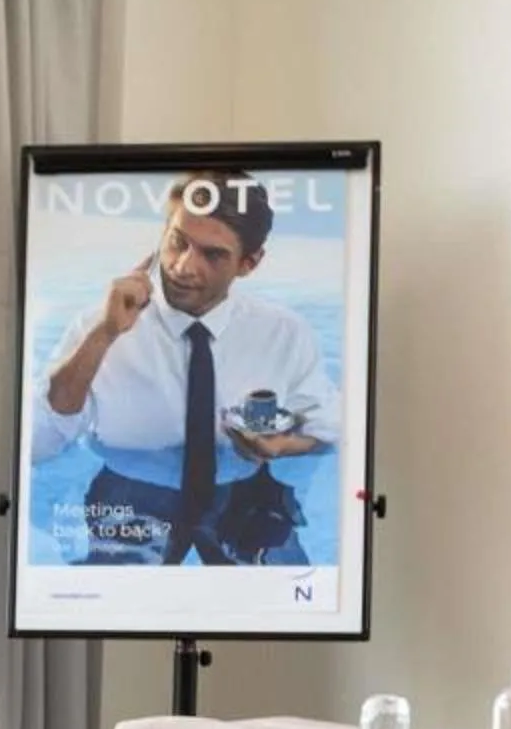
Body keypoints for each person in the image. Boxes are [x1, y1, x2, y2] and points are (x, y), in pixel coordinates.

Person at [29, 169, 340, 565]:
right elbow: (39, 442)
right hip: (131, 492)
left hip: (242, 491)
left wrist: (287, 446)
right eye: (177, 242)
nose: (182, 267)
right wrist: (103, 336)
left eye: (212, 255)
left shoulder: (283, 334)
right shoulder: (99, 325)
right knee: (100, 605)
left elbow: (330, 426)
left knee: (291, 605)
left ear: (250, 262)